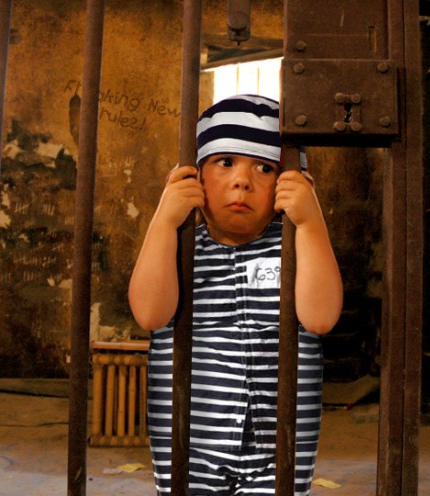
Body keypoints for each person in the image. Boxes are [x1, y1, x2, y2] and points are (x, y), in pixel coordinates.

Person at [129, 94, 343, 495]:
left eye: (265, 168)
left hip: (280, 444)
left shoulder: (297, 247)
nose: (243, 181)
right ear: (195, 176)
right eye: (225, 162)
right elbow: (149, 315)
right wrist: (164, 220)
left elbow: (320, 318)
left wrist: (311, 222)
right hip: (189, 440)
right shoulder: (179, 246)